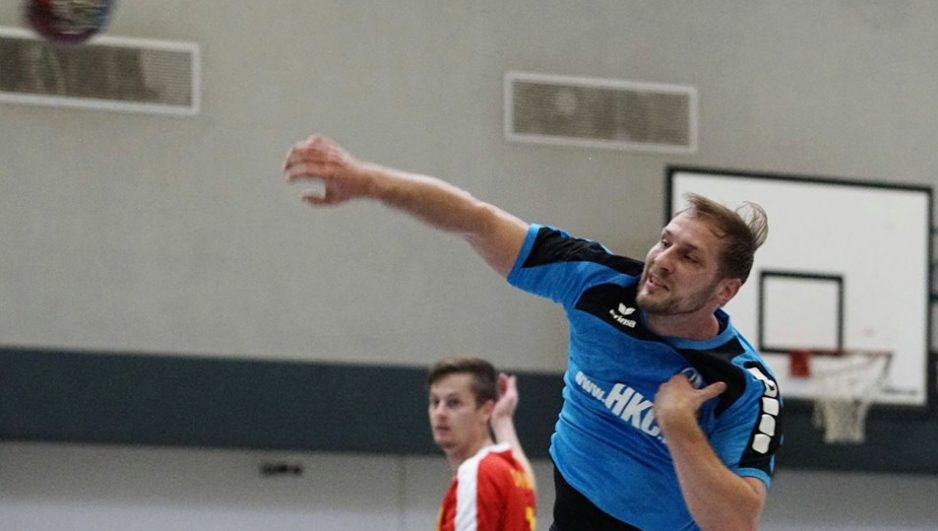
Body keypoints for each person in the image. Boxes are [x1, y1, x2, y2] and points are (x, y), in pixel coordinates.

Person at [283, 135, 782, 531]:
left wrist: (679, 427)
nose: (663, 261)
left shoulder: (744, 386)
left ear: (726, 290)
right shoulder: (598, 283)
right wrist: (370, 183)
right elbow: (478, 220)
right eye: (665, 241)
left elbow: (738, 522)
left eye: (689, 256)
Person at [427, 357, 537, 531]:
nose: (440, 412)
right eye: (435, 402)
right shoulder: (512, 471)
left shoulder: (476, 471)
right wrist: (502, 420)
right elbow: (527, 479)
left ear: (486, 410)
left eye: (454, 403)